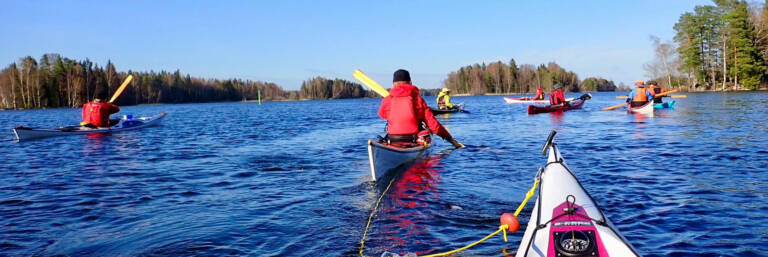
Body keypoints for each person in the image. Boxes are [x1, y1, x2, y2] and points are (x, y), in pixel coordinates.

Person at [379, 69, 464, 148]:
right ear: (410, 82)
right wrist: (451, 140)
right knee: (422, 123)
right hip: (413, 140)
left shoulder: (387, 100)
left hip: (393, 140)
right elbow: (434, 125)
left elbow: (382, 114)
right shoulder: (418, 100)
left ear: (393, 84)